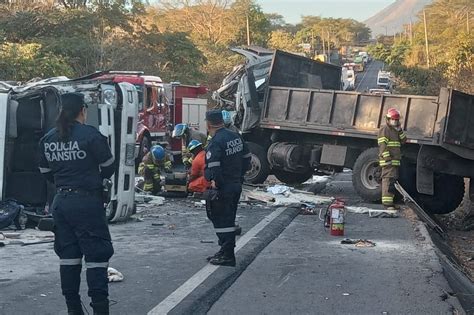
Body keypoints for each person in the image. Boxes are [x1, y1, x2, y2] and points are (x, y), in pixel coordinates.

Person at [38, 92, 115, 315]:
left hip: (61, 203)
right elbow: (108, 166)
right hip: (87, 202)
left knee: (69, 257)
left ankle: (74, 310)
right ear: (83, 110)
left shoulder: (49, 138)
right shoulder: (90, 135)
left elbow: (45, 172)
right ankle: (100, 309)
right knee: (96, 257)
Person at [204, 109, 251, 266]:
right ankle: (224, 250)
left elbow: (214, 167)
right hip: (236, 184)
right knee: (229, 218)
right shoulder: (234, 136)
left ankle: (228, 255)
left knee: (221, 220)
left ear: (209, 124)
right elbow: (247, 158)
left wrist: (216, 182)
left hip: (223, 187)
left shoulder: (216, 142)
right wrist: (240, 174)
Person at [378, 108, 407, 210]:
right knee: (387, 181)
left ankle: (390, 202)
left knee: (392, 182)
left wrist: (400, 131)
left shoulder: (396, 130)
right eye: (393, 119)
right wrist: (387, 158)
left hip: (394, 161)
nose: (395, 121)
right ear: (388, 119)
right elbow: (382, 145)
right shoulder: (385, 129)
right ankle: (387, 204)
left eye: (396, 119)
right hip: (388, 161)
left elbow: (403, 141)